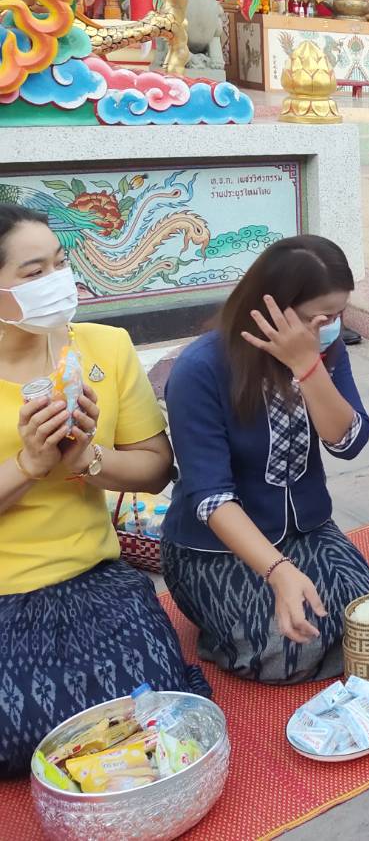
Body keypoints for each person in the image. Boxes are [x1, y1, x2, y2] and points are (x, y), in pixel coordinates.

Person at [0, 205, 207, 776]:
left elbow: (155, 467)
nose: (57, 283)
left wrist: (86, 459)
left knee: (153, 701)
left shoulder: (103, 348)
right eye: (33, 272)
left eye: (60, 264)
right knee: (20, 735)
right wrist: (29, 463)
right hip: (6, 590)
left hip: (92, 573)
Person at [163, 235, 369, 684]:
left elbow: (349, 442)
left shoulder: (323, 352)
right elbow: (210, 499)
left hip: (305, 529)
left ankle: (250, 619)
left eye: (337, 315)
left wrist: (309, 366)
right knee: (290, 653)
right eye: (313, 317)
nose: (326, 327)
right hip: (218, 546)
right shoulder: (201, 369)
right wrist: (278, 572)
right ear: (268, 308)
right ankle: (221, 629)